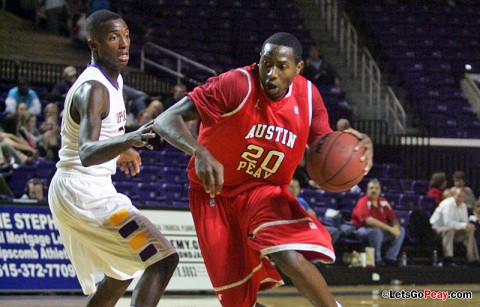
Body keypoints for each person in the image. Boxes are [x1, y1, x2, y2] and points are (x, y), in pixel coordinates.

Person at [153, 31, 373, 306]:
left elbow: (324, 150)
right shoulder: (235, 84)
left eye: (281, 66)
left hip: (264, 191)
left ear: (298, 68)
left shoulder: (307, 96)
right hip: (214, 193)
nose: (271, 73)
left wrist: (357, 150)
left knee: (286, 251)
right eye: (266, 63)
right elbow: (165, 119)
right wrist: (199, 150)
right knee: (237, 301)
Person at [47, 10, 178, 306]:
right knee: (163, 258)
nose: (123, 44)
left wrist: (120, 150)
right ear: (93, 44)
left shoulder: (112, 82)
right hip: (82, 190)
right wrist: (129, 139)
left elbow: (92, 142)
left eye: (126, 35)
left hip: (87, 188)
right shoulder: (94, 88)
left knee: (121, 272)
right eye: (113, 37)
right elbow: (86, 152)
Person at [351, 179, 405, 266]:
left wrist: (396, 227)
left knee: (401, 230)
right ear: (367, 190)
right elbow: (369, 221)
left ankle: (390, 258)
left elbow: (393, 219)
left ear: (380, 190)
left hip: (381, 230)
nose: (374, 190)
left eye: (376, 188)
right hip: (362, 230)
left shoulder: (383, 201)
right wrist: (390, 229)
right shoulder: (363, 201)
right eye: (371, 188)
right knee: (376, 231)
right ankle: (377, 259)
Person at [430, 187, 480, 266]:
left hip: (453, 230)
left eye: (462, 196)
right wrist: (464, 225)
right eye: (458, 196)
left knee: (469, 230)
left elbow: (464, 222)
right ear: (454, 196)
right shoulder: (448, 204)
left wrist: (468, 226)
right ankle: (448, 258)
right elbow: (447, 223)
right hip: (436, 229)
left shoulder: (463, 206)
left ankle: (473, 259)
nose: (460, 198)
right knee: (450, 229)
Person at [288, 178, 341, 245]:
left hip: (310, 226)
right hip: (297, 229)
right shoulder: (285, 201)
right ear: (286, 188)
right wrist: (306, 214)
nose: (295, 189)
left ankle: (324, 252)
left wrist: (306, 215)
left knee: (334, 231)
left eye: (297, 186)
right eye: (291, 187)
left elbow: (313, 215)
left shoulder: (301, 200)